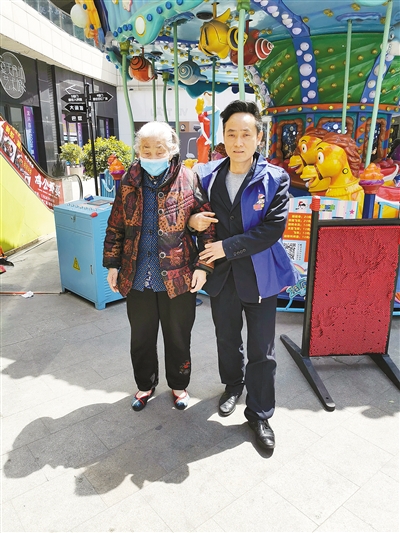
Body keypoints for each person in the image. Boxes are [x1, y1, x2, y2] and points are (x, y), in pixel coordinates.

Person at [188, 100, 299, 451]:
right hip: (222, 277)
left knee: (262, 349)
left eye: (246, 134)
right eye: (231, 133)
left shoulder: (276, 178)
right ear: (223, 136)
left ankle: (260, 413)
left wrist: (227, 247)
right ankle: (233, 385)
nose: (238, 142)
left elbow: (272, 229)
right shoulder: (207, 176)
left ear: (258, 137)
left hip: (261, 275)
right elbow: (196, 217)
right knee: (226, 338)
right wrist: (192, 222)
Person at [103, 121, 216, 412]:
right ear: (138, 150)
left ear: (173, 149)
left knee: (178, 336)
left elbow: (208, 225)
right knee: (141, 337)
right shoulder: (128, 180)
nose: (152, 155)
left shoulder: (189, 178)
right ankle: (145, 384)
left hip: (178, 276)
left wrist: (203, 266)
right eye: (146, 149)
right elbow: (115, 226)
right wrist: (112, 265)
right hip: (137, 274)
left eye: (159, 149)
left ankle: (179, 385)